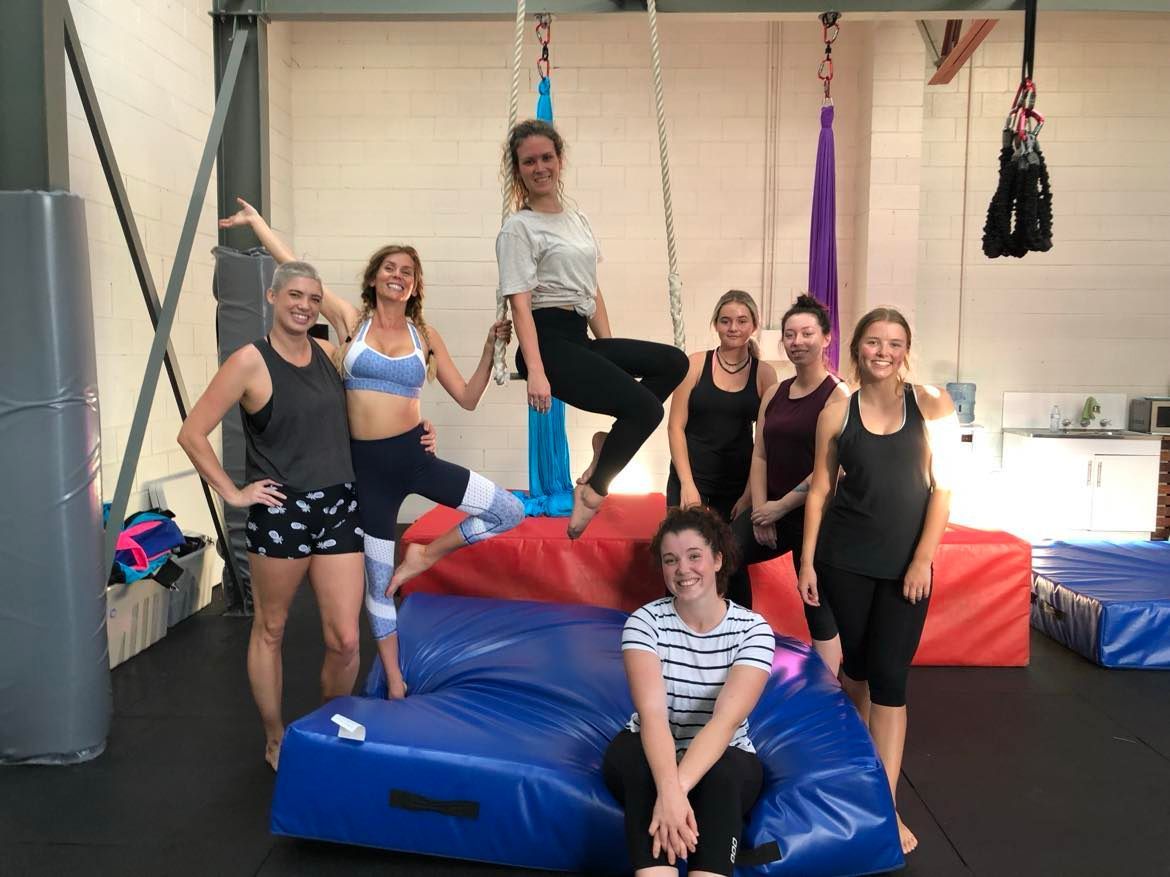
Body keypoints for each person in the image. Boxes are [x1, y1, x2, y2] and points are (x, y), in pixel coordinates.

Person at [220, 199, 525, 700]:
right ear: (374, 277)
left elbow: (467, 397)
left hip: (413, 456)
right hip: (364, 473)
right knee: (380, 586)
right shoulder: (349, 321)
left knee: (508, 510)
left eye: (408, 271)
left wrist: (492, 349)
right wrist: (258, 226)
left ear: (416, 285)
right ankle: (396, 678)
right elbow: (295, 268)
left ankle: (425, 554)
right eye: (390, 268)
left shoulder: (424, 334)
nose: (398, 276)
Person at [178, 261, 370, 770]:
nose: (304, 306)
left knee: (347, 639)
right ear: (272, 296)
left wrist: (419, 436)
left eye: (312, 297)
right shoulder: (249, 361)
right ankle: (274, 738)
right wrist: (234, 493)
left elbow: (376, 406)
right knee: (271, 628)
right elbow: (192, 433)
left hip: (338, 506)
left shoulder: (330, 353)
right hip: (282, 511)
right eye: (294, 296)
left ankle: (329, 729)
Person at [798, 307, 957, 855]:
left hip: (904, 569)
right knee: (858, 675)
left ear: (906, 349)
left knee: (891, 679)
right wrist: (807, 562)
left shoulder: (932, 402)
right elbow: (819, 490)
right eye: (871, 342)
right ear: (856, 348)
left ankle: (882, 805)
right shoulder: (838, 411)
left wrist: (922, 560)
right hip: (844, 560)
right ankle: (856, 775)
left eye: (893, 342)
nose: (881, 351)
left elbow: (944, 488)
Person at [496, 119, 689, 539]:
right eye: (529, 161)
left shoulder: (576, 218)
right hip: (545, 341)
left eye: (547, 157)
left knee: (673, 362)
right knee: (647, 410)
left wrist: (610, 352)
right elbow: (520, 303)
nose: (540, 167)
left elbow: (591, 288)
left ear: (560, 161)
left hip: (577, 336)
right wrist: (537, 370)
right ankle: (594, 490)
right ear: (518, 170)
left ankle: (609, 443)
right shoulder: (519, 228)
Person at [603, 506, 775, 877]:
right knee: (639, 764)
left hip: (724, 753)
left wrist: (674, 793)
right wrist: (668, 788)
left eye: (694, 556)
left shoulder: (753, 630)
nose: (682, 570)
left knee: (721, 776)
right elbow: (652, 715)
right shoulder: (645, 622)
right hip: (651, 746)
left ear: (717, 559)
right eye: (670, 560)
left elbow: (725, 722)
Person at [725, 294, 848, 673]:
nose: (798, 341)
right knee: (723, 558)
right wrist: (761, 509)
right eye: (790, 335)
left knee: (816, 602)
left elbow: (831, 469)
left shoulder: (839, 395)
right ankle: (733, 649)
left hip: (814, 517)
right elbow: (759, 452)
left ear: (826, 338)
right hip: (769, 509)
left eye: (807, 333)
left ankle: (830, 689)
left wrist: (781, 507)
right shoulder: (776, 393)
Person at [666, 290, 777, 522]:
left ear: (754, 325)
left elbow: (766, 440)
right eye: (725, 321)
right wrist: (687, 485)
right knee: (685, 547)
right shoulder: (695, 363)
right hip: (690, 475)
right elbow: (675, 427)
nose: (733, 328)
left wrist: (749, 494)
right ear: (715, 325)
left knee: (728, 555)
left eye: (742, 321)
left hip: (736, 484)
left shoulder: (765, 374)